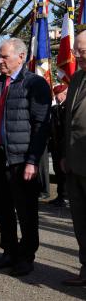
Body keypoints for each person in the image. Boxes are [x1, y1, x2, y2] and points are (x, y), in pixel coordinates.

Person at [0, 38, 51, 276]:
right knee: (2, 209)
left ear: (20, 57)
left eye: (4, 57)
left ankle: (26, 257)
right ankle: (8, 251)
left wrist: (32, 160)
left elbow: (41, 125)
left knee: (26, 212)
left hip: (21, 161)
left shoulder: (35, 84)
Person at [60, 30, 86, 286]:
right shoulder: (77, 78)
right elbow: (69, 121)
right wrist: (65, 155)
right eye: (76, 50)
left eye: (82, 51)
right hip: (75, 163)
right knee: (80, 222)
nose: (76, 55)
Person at [48, 84, 68, 207]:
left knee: (63, 171)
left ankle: (65, 196)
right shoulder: (56, 108)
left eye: (57, 95)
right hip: (56, 146)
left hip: (64, 146)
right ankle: (61, 195)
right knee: (58, 171)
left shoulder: (68, 108)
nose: (56, 97)